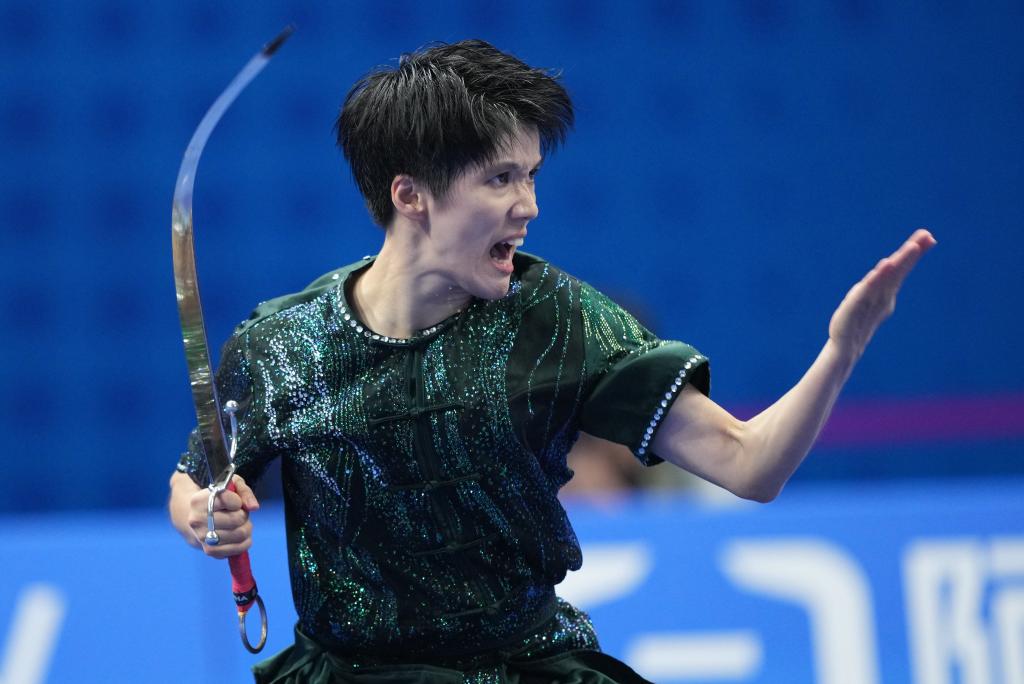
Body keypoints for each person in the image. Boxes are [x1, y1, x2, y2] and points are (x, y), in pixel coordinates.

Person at [168, 39, 935, 683]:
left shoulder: (556, 321)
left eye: (531, 175)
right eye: (500, 178)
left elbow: (750, 466)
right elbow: (195, 481)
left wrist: (841, 352)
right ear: (410, 195)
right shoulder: (283, 346)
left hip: (522, 668)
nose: (529, 205)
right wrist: (204, 515)